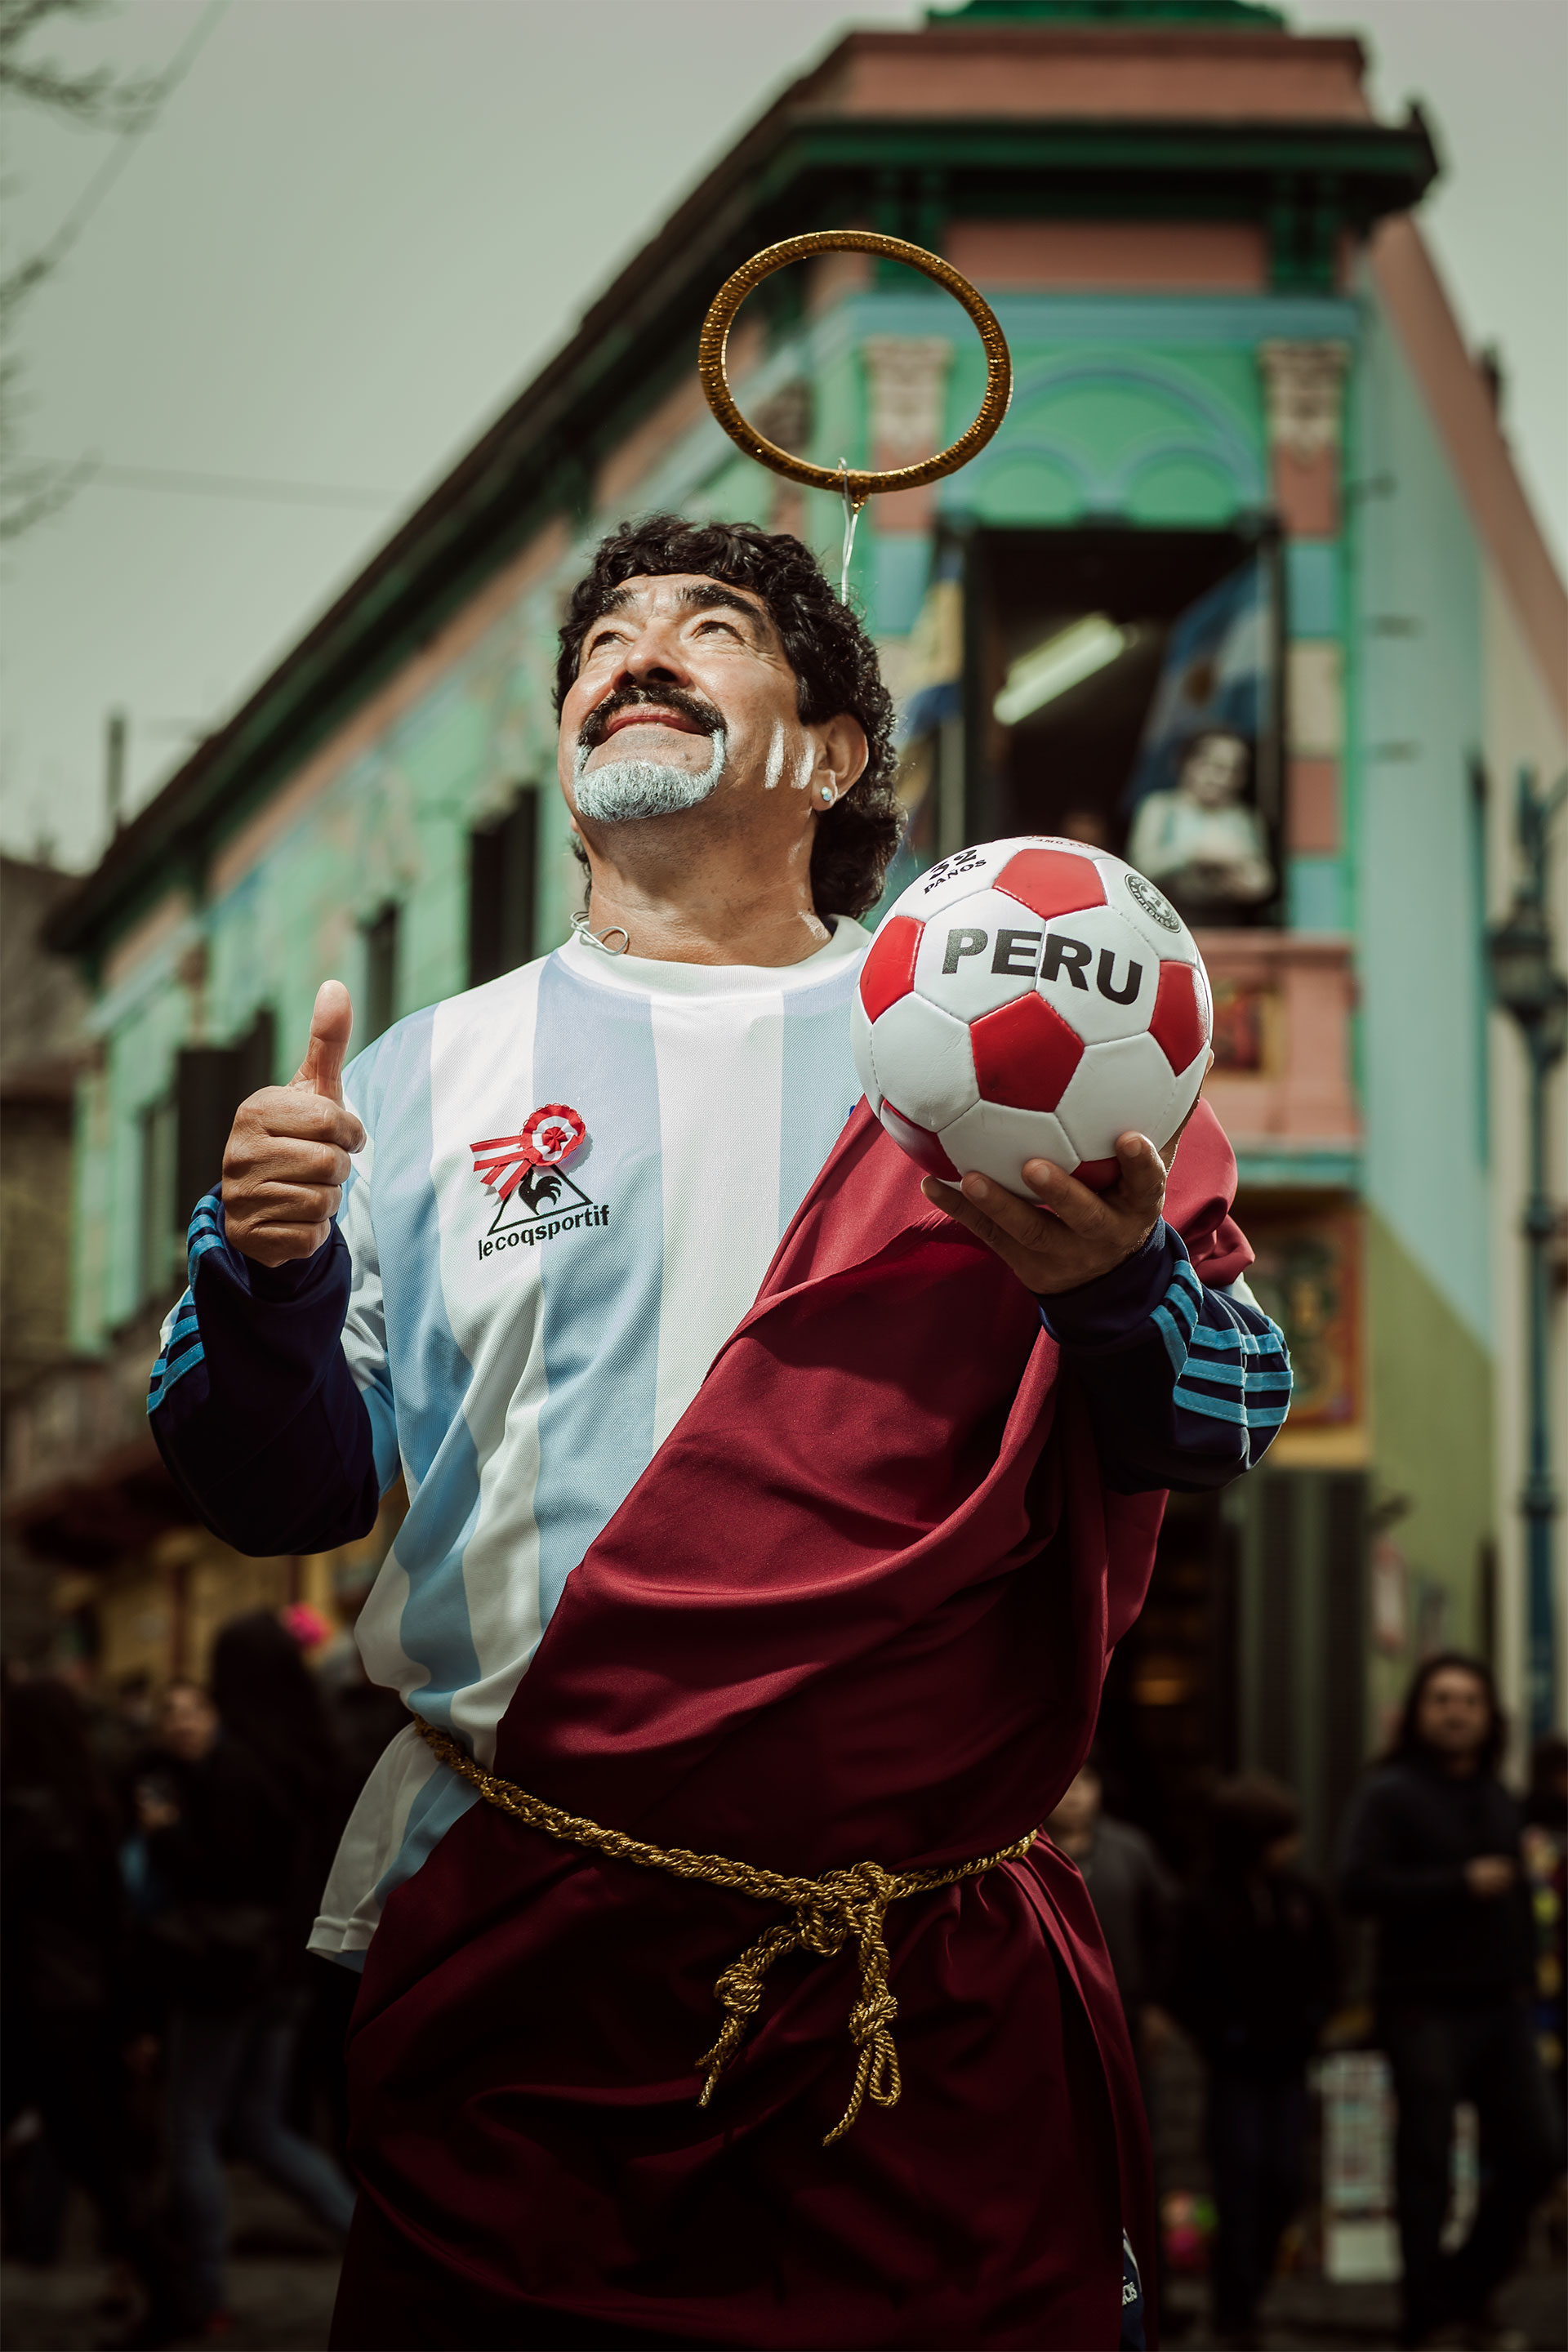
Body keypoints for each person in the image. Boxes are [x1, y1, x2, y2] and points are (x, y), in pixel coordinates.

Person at [147, 514, 1291, 2350]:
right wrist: (264, 1273)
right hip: (533, 1992)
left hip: (919, 2002)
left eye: (716, 624)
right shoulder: (418, 1081)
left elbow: (1225, 1413)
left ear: (835, 756)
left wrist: (1111, 1288)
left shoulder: (1008, 1033)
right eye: (604, 632)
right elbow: (276, 1485)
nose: (638, 647)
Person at [1339, 1654, 1563, 2348]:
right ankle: (1426, 2317)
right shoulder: (1390, 1794)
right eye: (1441, 1699)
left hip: (1501, 2006)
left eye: (1468, 1699)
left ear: (1487, 1715)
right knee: (1426, 2164)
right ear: (1418, 1712)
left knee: (1538, 2153)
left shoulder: (1501, 1794)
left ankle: (1464, 2288)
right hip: (1423, 2005)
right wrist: (1457, 1882)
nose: (1456, 1711)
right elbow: (1355, 1887)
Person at [140, 1675, 355, 2336]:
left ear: (216, 1714)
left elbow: (231, 1876)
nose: (180, 1725)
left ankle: (206, 2296)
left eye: (191, 1711)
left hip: (231, 1976)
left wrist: (165, 1837)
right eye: (168, 1714)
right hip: (278, 1973)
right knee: (258, 2126)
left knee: (193, 2127)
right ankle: (365, 2240)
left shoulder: (233, 1780)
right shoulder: (245, 1769)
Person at [0, 1677, 174, 2332]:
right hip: (82, 2006)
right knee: (97, 2158)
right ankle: (170, 2286)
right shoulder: (89, 1803)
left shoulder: (28, 1812)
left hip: (36, 2009)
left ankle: (172, 2287)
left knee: (97, 2159)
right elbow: (115, 1922)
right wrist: (131, 2017)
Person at [1169, 1775, 1337, 2347]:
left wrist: (1314, 2021)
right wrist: (1225, 2035)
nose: (1291, 1847)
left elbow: (1329, 1965)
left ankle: (1249, 2293)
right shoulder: (1202, 1904)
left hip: (1288, 2063)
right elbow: (1182, 1984)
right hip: (1236, 2067)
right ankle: (1234, 2311)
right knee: (1239, 2185)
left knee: (1285, 2182)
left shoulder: (1300, 1897)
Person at [1045, 1761, 1177, 2062]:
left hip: (1123, 2009)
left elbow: (1167, 1928)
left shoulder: (1131, 1850)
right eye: (1066, 1779)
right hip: (1048, 2008)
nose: (1075, 1792)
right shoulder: (1020, 1854)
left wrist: (1158, 2005)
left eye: (1086, 1780)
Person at [1126, 730, 1273, 923]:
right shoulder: (1161, 808)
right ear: (1188, 764)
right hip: (1168, 920)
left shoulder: (1242, 818)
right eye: (1215, 767)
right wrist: (1194, 854)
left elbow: (1263, 881)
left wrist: (1241, 878)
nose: (1224, 779)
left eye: (1234, 771)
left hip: (1227, 923)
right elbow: (1138, 869)